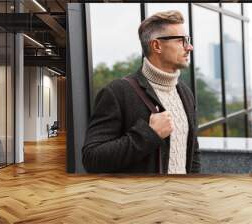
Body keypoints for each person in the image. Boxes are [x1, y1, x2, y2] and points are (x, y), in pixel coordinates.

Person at [82, 10, 200, 174]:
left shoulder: (185, 93)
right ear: (157, 45)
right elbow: (91, 158)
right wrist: (149, 134)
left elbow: (192, 152)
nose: (189, 47)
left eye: (188, 40)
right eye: (182, 41)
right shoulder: (117, 92)